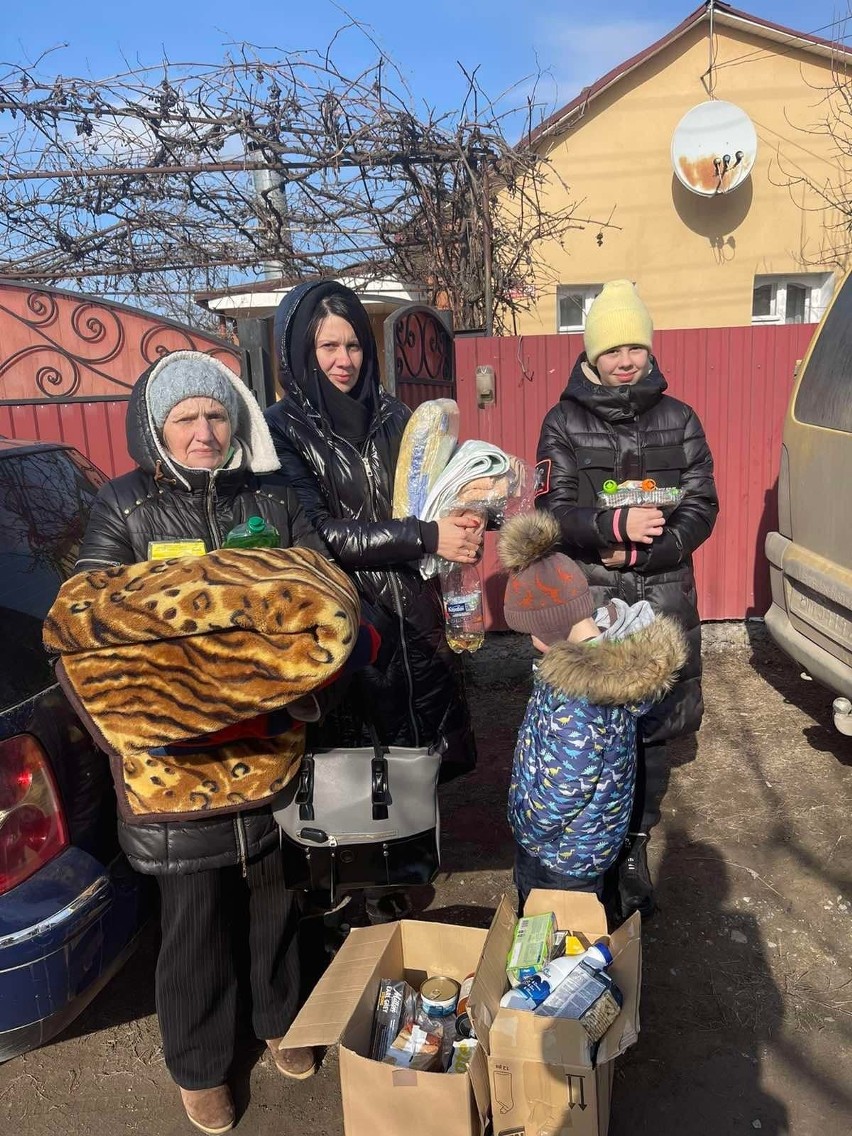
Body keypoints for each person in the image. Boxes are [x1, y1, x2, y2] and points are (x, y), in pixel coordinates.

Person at [76, 351, 330, 1136]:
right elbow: (91, 625)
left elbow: (321, 594)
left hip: (268, 746)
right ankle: (198, 1062)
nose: (203, 431)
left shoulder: (275, 500)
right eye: (185, 417)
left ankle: (280, 1017)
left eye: (216, 415)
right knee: (191, 918)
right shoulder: (124, 508)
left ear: (236, 421)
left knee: (272, 895)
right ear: (156, 428)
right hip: (174, 764)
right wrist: (135, 724)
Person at [265, 282, 481, 918]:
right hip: (347, 622)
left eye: (354, 344)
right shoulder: (283, 432)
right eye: (328, 345)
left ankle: (404, 881)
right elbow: (320, 534)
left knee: (413, 757)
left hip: (413, 610)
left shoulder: (393, 416)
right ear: (301, 352)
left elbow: (430, 491)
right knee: (350, 768)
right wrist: (425, 534)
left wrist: (468, 511)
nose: (344, 359)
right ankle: (351, 901)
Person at [534, 279, 718, 918]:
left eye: (636, 346)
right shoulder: (563, 421)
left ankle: (636, 844)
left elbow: (701, 505)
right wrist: (610, 532)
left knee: (654, 735)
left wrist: (646, 552)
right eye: (614, 349)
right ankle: (592, 851)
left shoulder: (680, 418)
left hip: (664, 600)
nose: (626, 360)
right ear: (591, 354)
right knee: (594, 734)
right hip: (595, 606)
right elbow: (550, 512)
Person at [497, 509, 687, 912]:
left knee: (551, 929)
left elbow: (566, 787)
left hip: (560, 850)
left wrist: (527, 826)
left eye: (531, 631)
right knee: (576, 921)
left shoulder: (577, 696)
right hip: (590, 840)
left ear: (550, 630)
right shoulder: (610, 667)